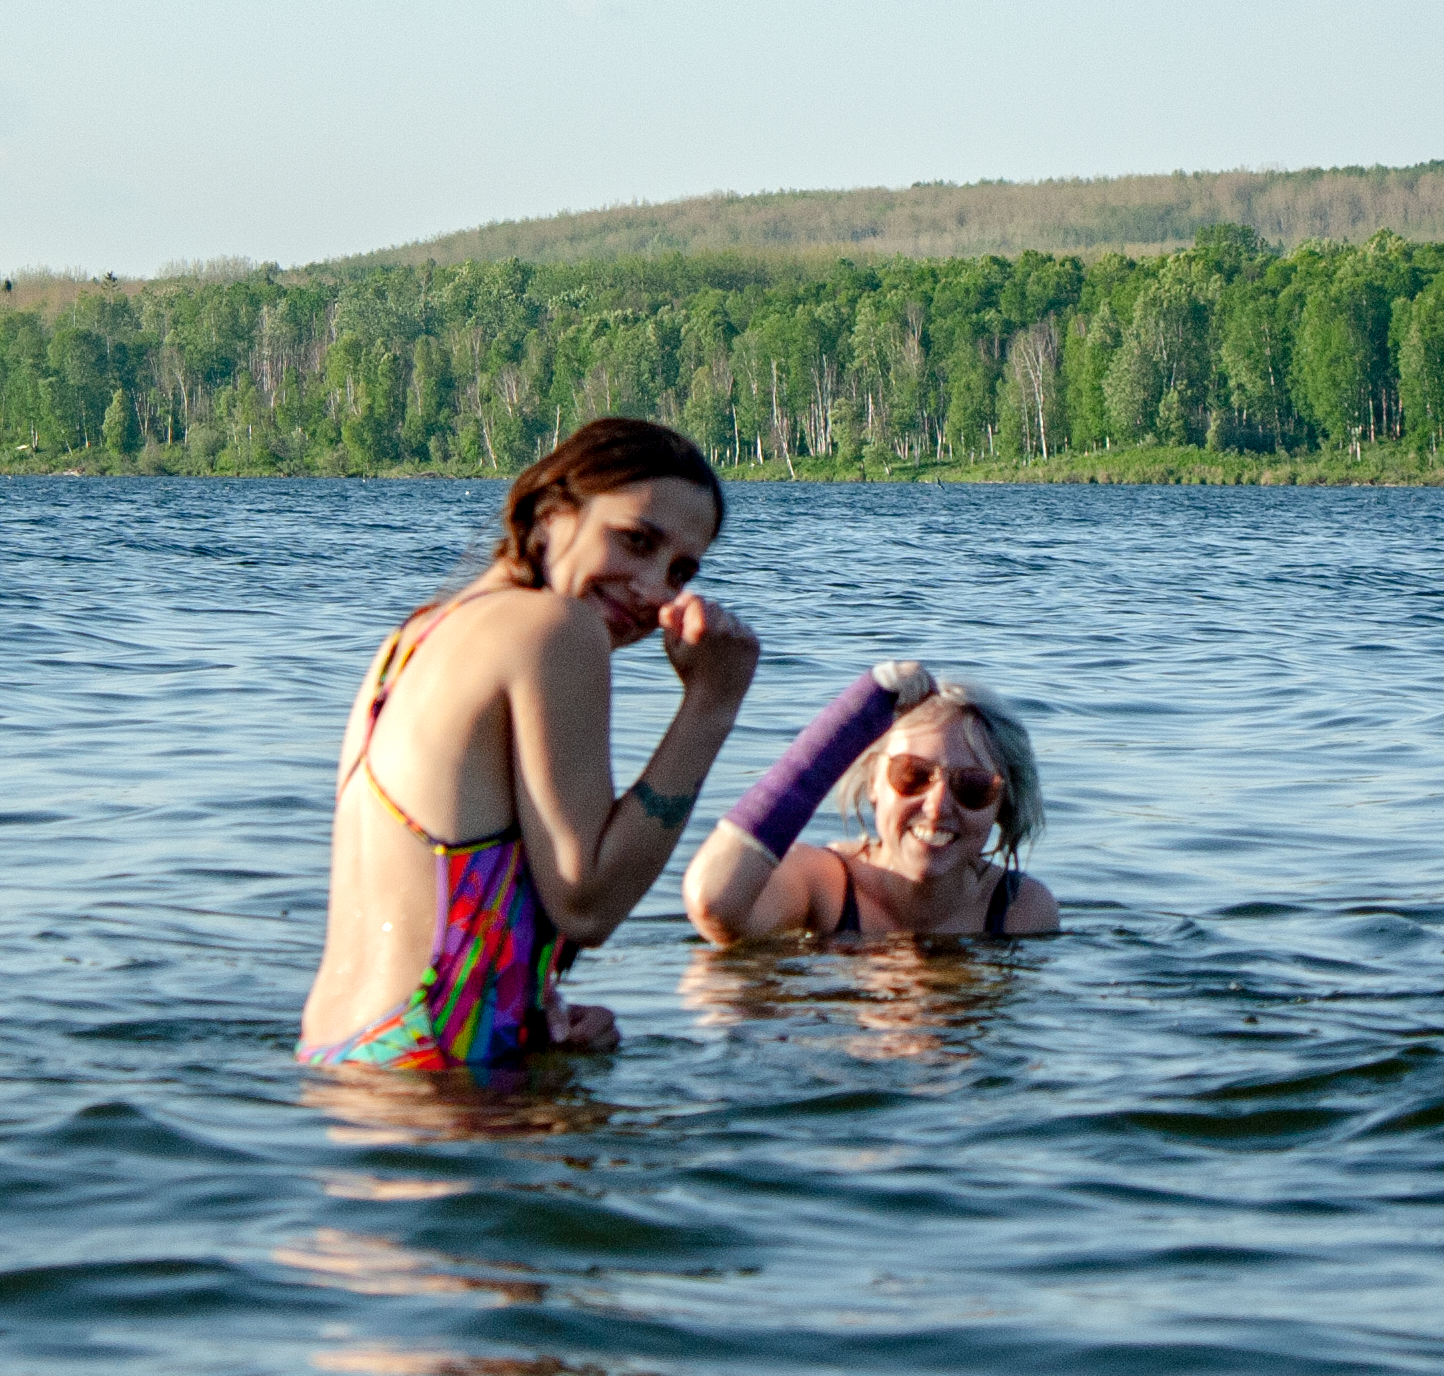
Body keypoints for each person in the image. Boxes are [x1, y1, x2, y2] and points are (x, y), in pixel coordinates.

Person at [297, 419, 761, 1069]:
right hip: (437, 1075)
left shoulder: (417, 636)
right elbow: (586, 903)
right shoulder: (557, 627)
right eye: (634, 540)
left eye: (680, 571)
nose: (655, 589)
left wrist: (535, 1011)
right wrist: (713, 703)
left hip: (342, 1055)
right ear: (550, 514)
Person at [682, 662, 1059, 943]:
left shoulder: (1020, 911)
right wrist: (849, 723)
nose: (937, 805)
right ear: (874, 783)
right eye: (912, 775)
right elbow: (715, 905)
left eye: (973, 787)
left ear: (1002, 805)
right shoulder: (820, 885)